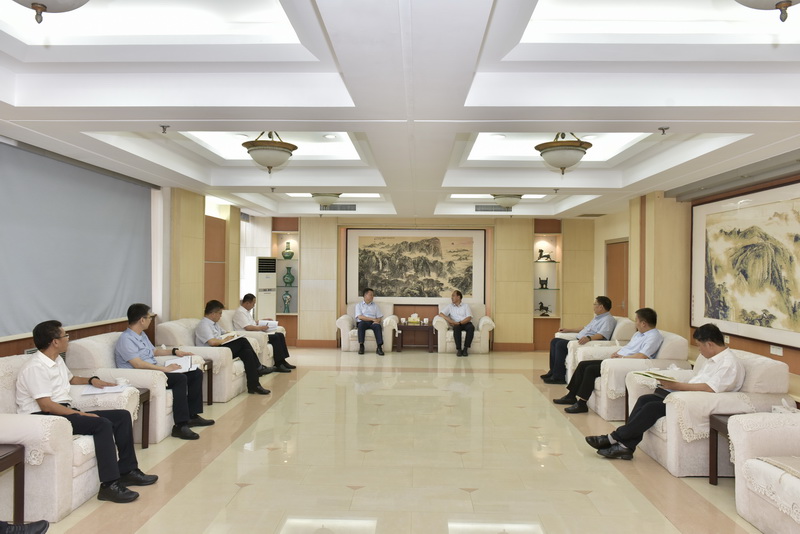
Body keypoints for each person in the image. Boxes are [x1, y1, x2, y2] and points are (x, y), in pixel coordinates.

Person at [16, 321, 158, 503]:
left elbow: (71, 379)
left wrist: (92, 380)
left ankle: (128, 471)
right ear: (55, 342)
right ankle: (109, 485)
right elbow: (46, 405)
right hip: (44, 419)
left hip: (61, 411)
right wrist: (80, 414)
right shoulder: (35, 367)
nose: (68, 339)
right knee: (102, 424)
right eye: (65, 336)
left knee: (122, 416)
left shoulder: (56, 359)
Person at [585, 323, 745, 460]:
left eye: (700, 346)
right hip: (686, 396)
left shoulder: (728, 364)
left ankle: (614, 438)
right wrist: (672, 385)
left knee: (651, 408)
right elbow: (698, 381)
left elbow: (709, 388)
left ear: (709, 344)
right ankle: (625, 446)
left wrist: (677, 386)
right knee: (645, 399)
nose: (699, 350)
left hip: (697, 403)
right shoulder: (712, 359)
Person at [114, 303, 214, 440]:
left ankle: (192, 416)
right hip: (142, 375)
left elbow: (154, 352)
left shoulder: (141, 335)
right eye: (149, 317)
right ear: (142, 320)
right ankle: (180, 426)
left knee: (195, 373)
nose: (150, 320)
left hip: (153, 371)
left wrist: (175, 351)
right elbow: (138, 364)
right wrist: (165, 369)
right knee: (180, 379)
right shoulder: (126, 339)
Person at [553, 308, 663, 413]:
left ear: (643, 323)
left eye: (636, 320)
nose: (635, 323)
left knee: (591, 369)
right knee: (583, 365)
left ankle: (582, 404)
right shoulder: (638, 334)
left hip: (625, 363)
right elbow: (628, 347)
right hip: (618, 360)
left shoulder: (653, 336)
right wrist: (618, 352)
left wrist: (622, 358)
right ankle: (571, 396)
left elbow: (642, 356)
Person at [195, 300, 271, 395]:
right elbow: (212, 342)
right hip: (214, 351)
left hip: (221, 348)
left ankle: (254, 385)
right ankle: (259, 367)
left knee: (247, 352)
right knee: (242, 341)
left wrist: (233, 336)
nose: (221, 316)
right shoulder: (204, 325)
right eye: (220, 313)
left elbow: (224, 332)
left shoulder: (214, 324)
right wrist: (224, 340)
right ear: (213, 313)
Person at [541, 296, 616, 384]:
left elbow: (602, 335)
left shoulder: (608, 319)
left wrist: (589, 338)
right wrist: (568, 330)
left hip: (586, 342)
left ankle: (559, 377)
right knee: (554, 341)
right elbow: (585, 328)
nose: (593, 306)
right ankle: (552, 372)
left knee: (560, 344)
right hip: (579, 339)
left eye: (595, 304)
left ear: (601, 307)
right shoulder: (598, 318)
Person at [232, 293, 296, 372]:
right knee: (275, 337)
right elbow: (248, 327)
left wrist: (263, 320)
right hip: (250, 334)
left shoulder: (246, 311)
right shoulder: (240, 312)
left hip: (256, 332)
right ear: (247, 303)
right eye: (253, 304)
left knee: (280, 335)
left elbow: (252, 323)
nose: (253, 306)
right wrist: (261, 328)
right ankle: (278, 364)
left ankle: (283, 361)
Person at [438, 290, 474, 357]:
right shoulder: (450, 306)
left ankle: (465, 349)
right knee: (456, 328)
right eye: (452, 296)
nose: (451, 297)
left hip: (465, 323)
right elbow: (441, 314)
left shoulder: (466, 306)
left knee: (471, 327)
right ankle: (459, 350)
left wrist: (460, 323)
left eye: (453, 296)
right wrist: (450, 321)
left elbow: (469, 317)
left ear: (458, 297)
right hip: (456, 324)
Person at [355, 288, 384, 355]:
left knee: (378, 326)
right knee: (361, 325)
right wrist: (372, 319)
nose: (372, 296)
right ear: (365, 295)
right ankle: (361, 346)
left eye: (373, 295)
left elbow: (379, 318)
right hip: (363, 322)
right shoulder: (359, 305)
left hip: (373, 323)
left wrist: (377, 321)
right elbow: (360, 317)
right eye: (371, 295)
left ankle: (379, 347)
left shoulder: (375, 306)